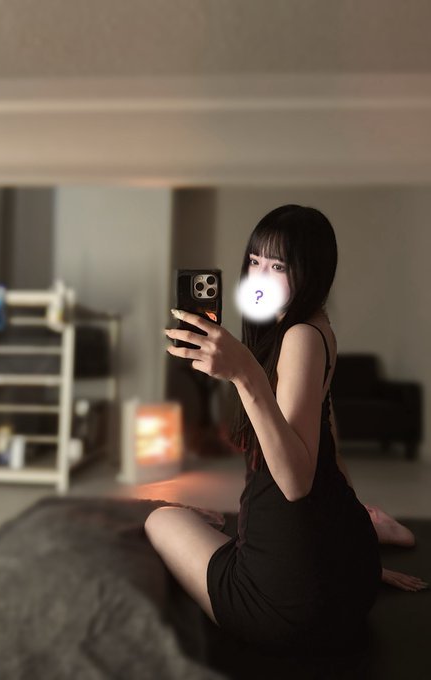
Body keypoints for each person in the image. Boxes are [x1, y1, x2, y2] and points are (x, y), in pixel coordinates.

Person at [145, 204, 425, 656]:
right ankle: (369, 526)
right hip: (349, 583)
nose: (259, 277)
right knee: (211, 519)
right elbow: (328, 441)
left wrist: (245, 374)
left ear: (312, 272)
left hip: (283, 605)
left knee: (160, 518)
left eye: (278, 266)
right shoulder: (317, 328)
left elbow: (295, 484)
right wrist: (357, 553)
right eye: (254, 261)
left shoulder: (299, 337)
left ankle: (369, 527)